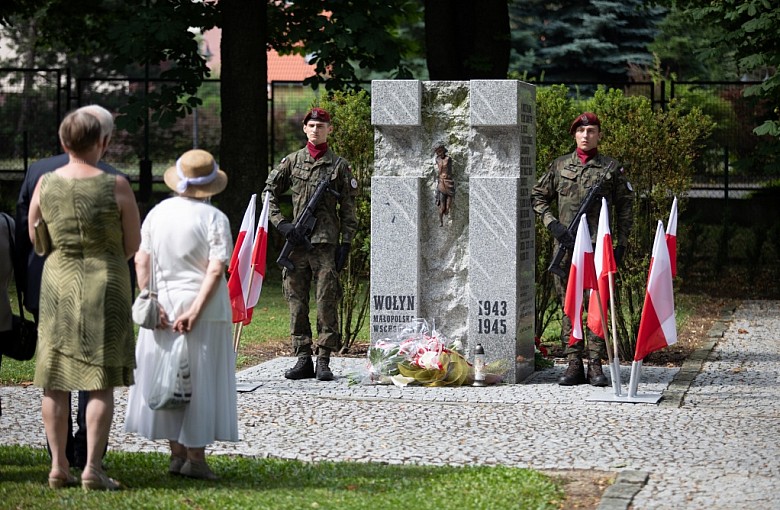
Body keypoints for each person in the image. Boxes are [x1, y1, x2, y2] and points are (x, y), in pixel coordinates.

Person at [28, 108, 141, 490]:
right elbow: (133, 244)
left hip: (57, 282)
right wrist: (104, 257)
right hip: (105, 283)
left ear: (63, 143)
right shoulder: (117, 185)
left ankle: (58, 466)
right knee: (100, 381)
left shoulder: (45, 183)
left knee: (54, 380)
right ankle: (92, 467)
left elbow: (35, 237)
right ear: (103, 143)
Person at [124, 149, 238, 481]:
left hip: (164, 305)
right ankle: (196, 458)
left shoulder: (157, 213)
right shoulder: (214, 218)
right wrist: (196, 310)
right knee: (200, 379)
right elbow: (216, 269)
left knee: (166, 375)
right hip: (204, 308)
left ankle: (176, 453)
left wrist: (149, 298)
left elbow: (141, 261)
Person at [532, 112, 634, 387]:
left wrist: (621, 243)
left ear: (599, 135)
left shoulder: (611, 169)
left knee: (597, 306)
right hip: (567, 248)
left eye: (591, 131)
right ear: (574, 135)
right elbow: (538, 196)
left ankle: (595, 365)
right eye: (581, 131)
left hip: (598, 248)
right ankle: (573, 363)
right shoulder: (559, 165)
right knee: (570, 304)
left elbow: (625, 207)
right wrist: (552, 224)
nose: (586, 135)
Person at [264, 107, 358, 381]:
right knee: (296, 301)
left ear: (329, 130)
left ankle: (324, 360)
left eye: (321, 125)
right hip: (296, 245)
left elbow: (349, 208)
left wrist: (346, 243)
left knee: (326, 300)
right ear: (305, 128)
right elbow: (268, 192)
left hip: (325, 245)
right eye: (312, 125)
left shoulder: (339, 166)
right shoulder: (292, 162)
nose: (316, 129)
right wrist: (281, 223)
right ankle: (303, 357)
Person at [434, 142, 455, 226]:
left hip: (448, 182)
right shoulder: (437, 159)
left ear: (443, 150)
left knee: (448, 207)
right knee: (442, 207)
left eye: (440, 151)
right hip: (441, 183)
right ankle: (441, 221)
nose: (439, 153)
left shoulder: (448, 159)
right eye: (437, 152)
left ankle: (447, 212)